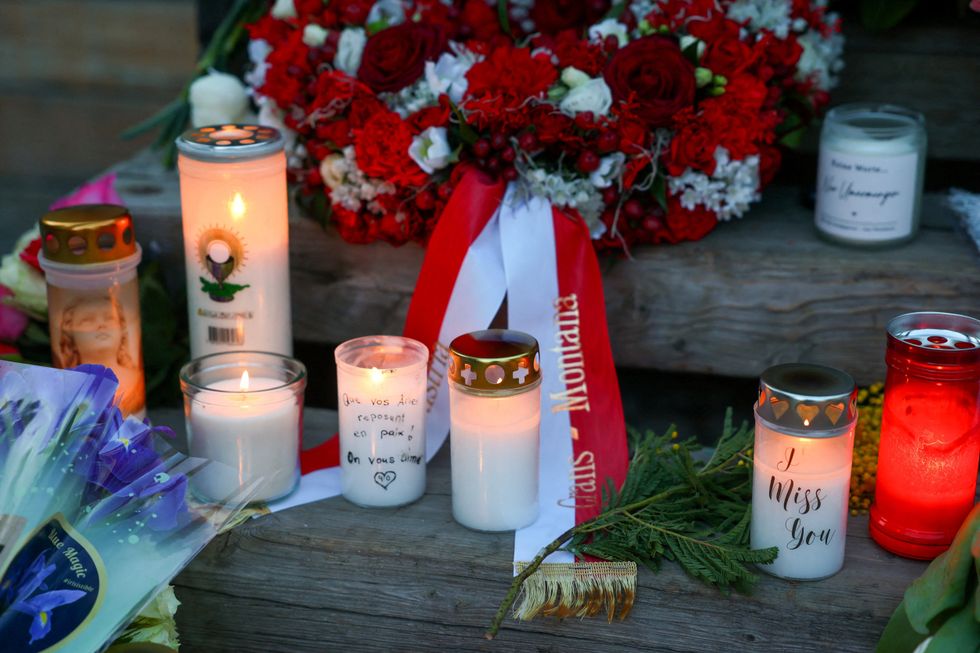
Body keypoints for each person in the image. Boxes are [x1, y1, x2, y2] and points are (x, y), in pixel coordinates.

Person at [56, 292, 145, 416]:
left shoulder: (134, 380)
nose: (101, 325)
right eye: (87, 320)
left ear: (122, 331)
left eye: (110, 318)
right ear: (71, 337)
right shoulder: (68, 387)